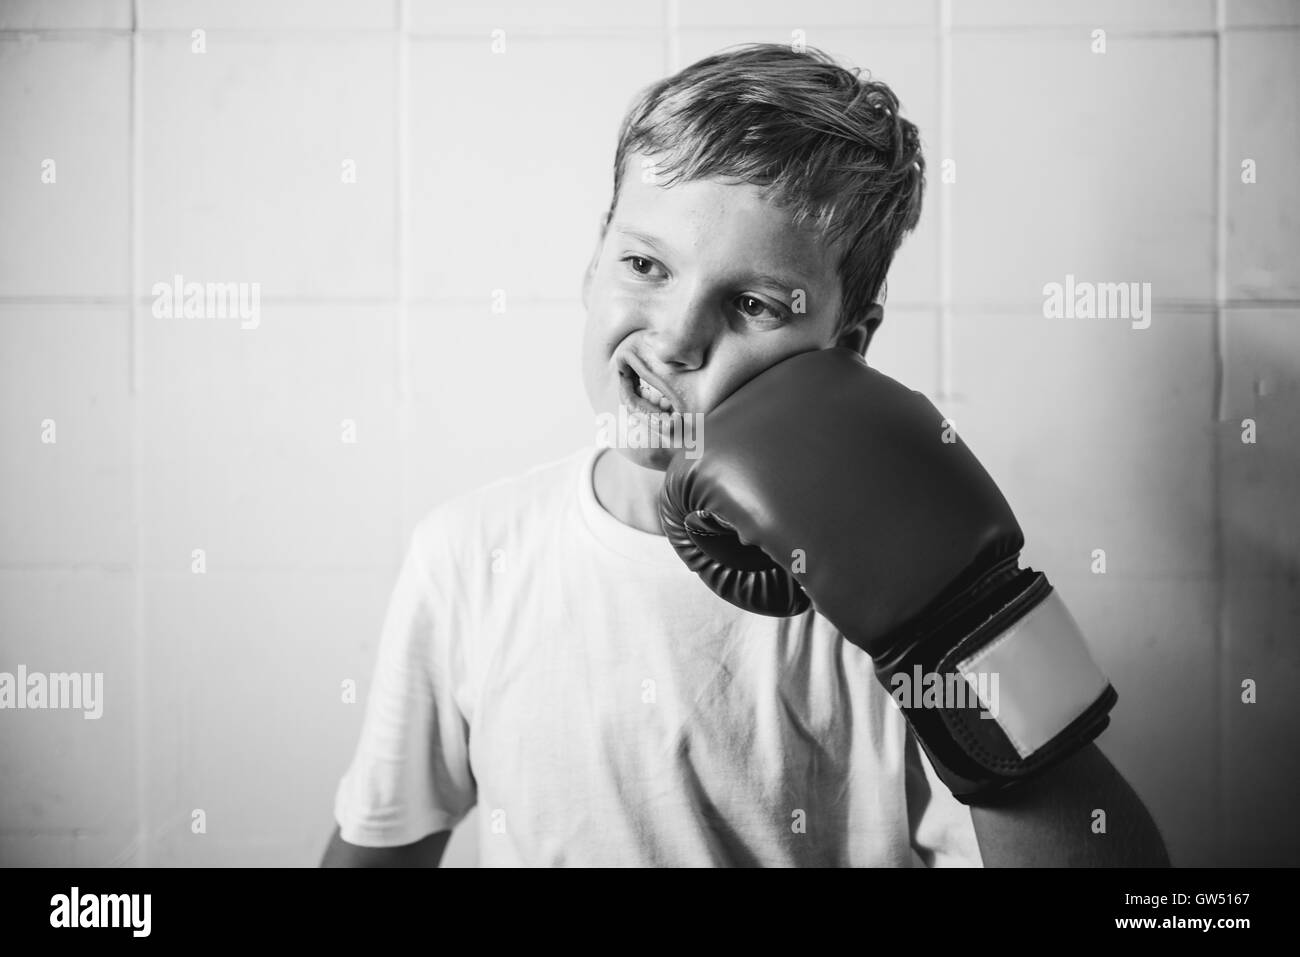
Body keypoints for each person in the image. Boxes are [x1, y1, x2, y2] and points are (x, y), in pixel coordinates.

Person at [321, 42, 1169, 868]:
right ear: (592, 261)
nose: (678, 336)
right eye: (645, 263)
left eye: (754, 301)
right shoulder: (470, 556)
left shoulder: (882, 601)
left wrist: (961, 626)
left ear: (848, 343)